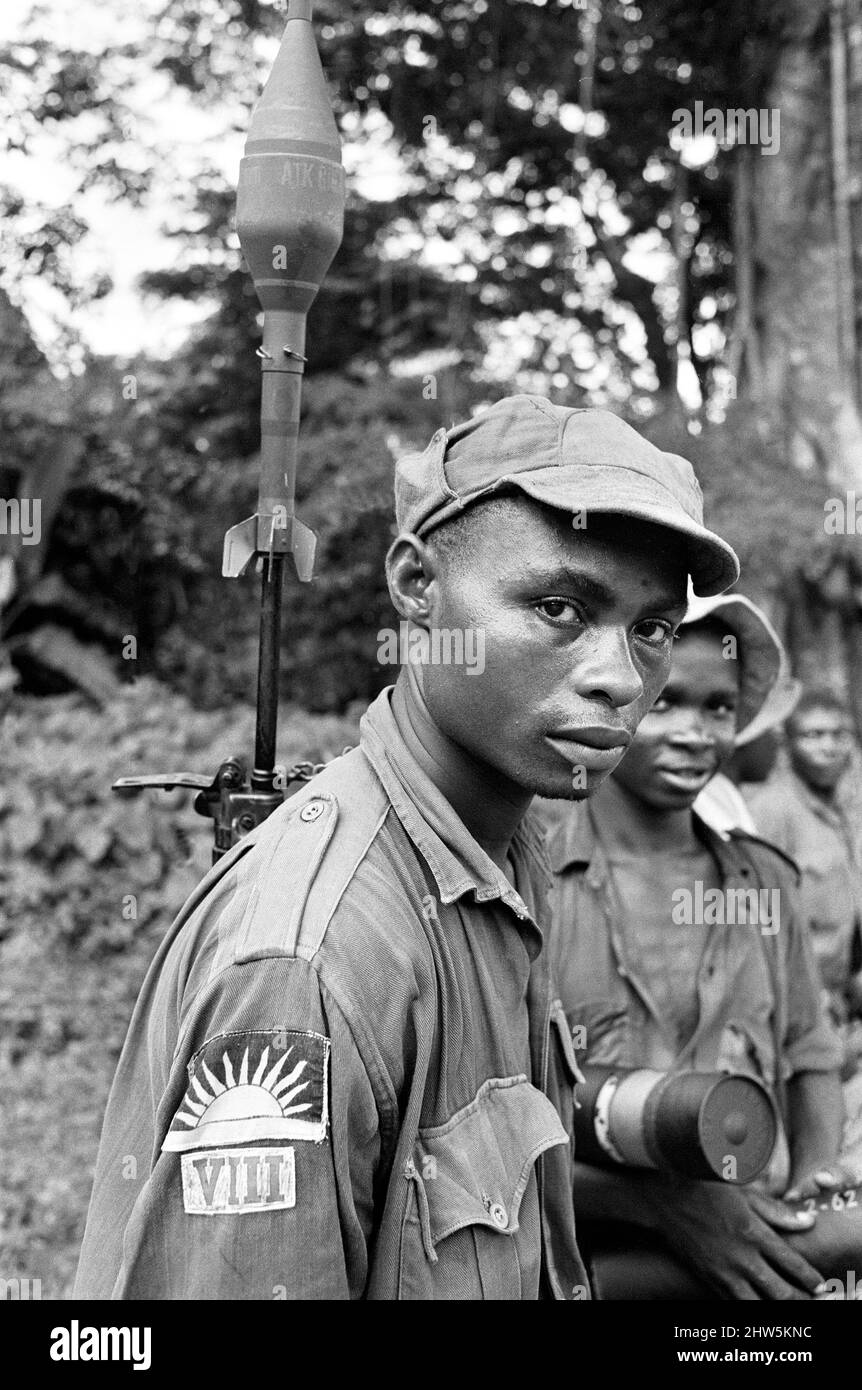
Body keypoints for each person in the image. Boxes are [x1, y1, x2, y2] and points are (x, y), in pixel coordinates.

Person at [74, 395, 739, 1300]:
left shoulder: (503, 858)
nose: (621, 679)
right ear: (417, 586)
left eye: (651, 629)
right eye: (557, 607)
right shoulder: (313, 965)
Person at [545, 592, 855, 1301]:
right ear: (617, 700)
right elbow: (497, 1123)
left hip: (751, 1266)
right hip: (588, 1271)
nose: (695, 733)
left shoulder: (764, 881)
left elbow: (810, 1055)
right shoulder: (530, 877)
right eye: (666, 703)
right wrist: (663, 1205)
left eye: (717, 708)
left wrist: (813, 1179)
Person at [745, 690, 862, 1028]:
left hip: (840, 998)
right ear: (788, 745)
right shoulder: (771, 810)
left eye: (839, 735)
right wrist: (805, 995)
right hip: (796, 1002)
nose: (828, 747)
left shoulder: (843, 811)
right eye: (813, 735)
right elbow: (754, 914)